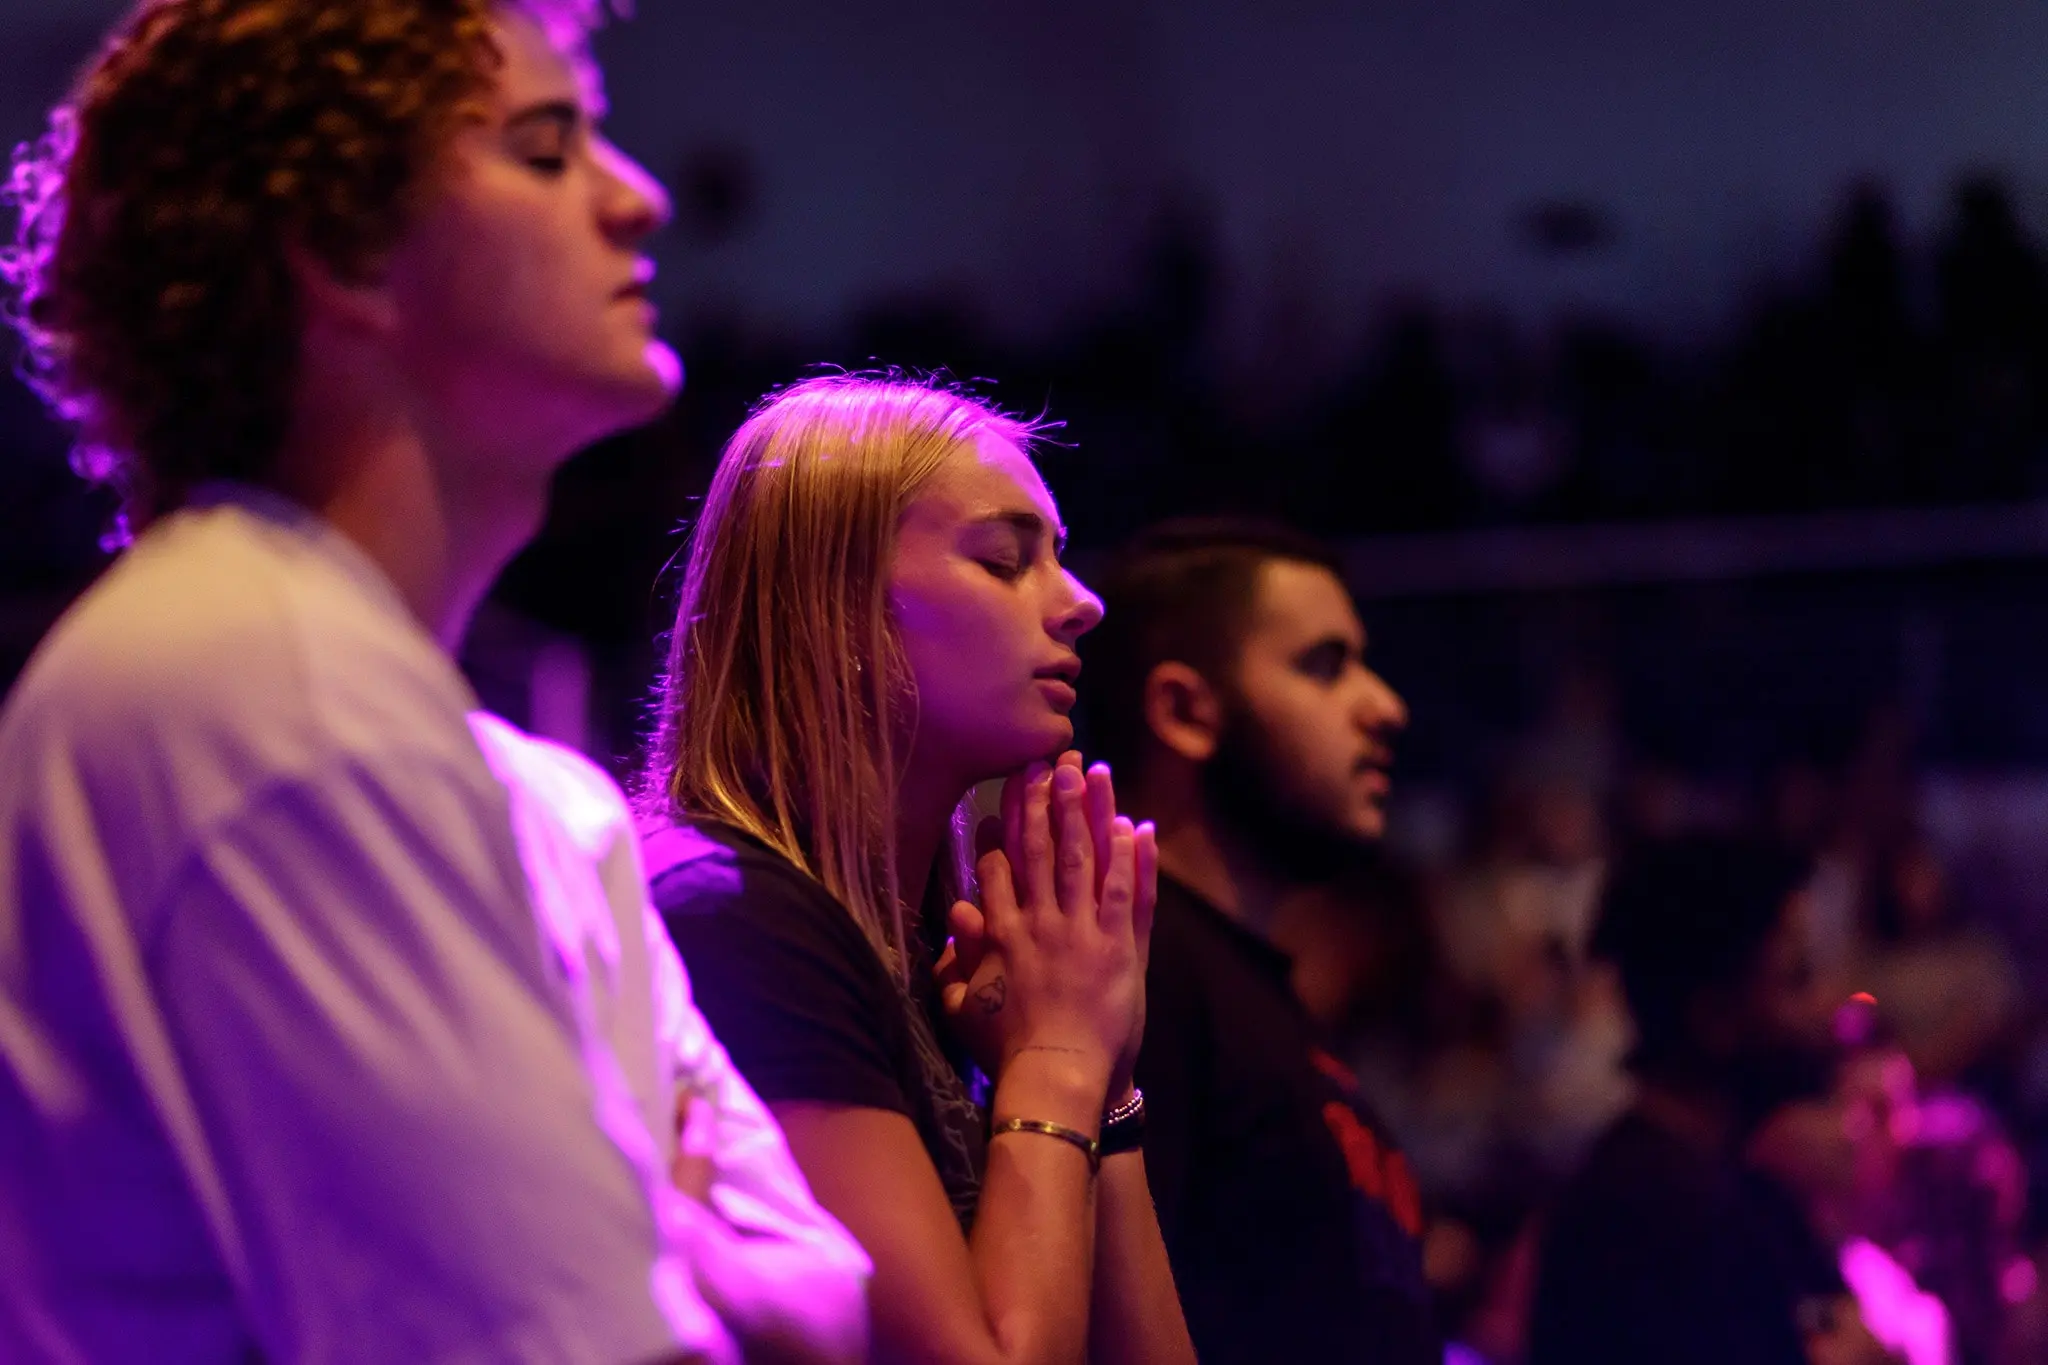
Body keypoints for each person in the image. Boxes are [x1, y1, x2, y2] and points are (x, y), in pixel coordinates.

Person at [0, 3, 866, 1361]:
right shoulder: (276, 694)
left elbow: (834, 1302)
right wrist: (682, 1265)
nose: (638, 199)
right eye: (545, 149)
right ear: (345, 248)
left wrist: (656, 1251)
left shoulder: (410, 729)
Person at [640, 374, 1197, 1365]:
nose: (1081, 602)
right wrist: (1060, 1056)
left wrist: (1103, 1082)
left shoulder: (935, 952)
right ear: (836, 607)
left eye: (1057, 557)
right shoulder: (730, 918)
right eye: (1005, 560)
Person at [1079, 518, 1435, 1362]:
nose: (1386, 707)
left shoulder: (1235, 979)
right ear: (1183, 711)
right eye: (1325, 665)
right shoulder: (1136, 976)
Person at [1529, 835, 1893, 1365]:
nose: (1828, 1007)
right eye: (1797, 979)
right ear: (1714, 1017)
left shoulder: (1746, 1188)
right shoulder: (1651, 1223)